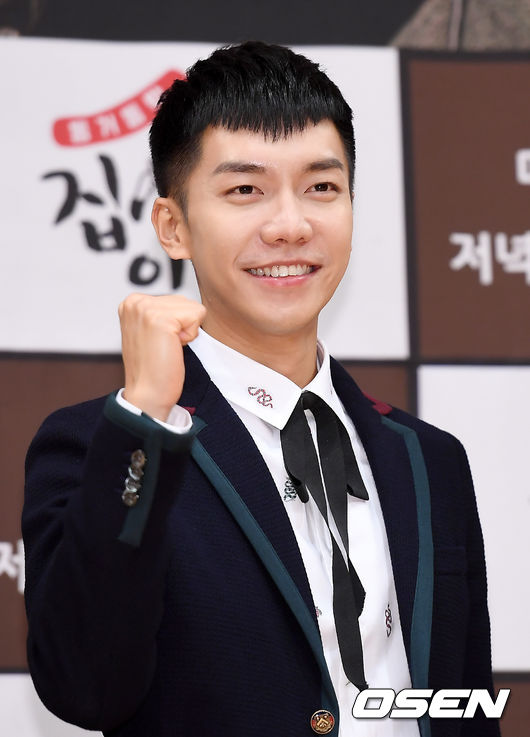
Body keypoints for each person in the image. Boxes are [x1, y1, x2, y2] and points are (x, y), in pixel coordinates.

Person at [23, 41, 499, 737]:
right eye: (245, 190)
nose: (290, 226)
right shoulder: (104, 445)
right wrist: (146, 422)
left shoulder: (430, 459)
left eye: (322, 187)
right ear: (173, 226)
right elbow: (86, 687)